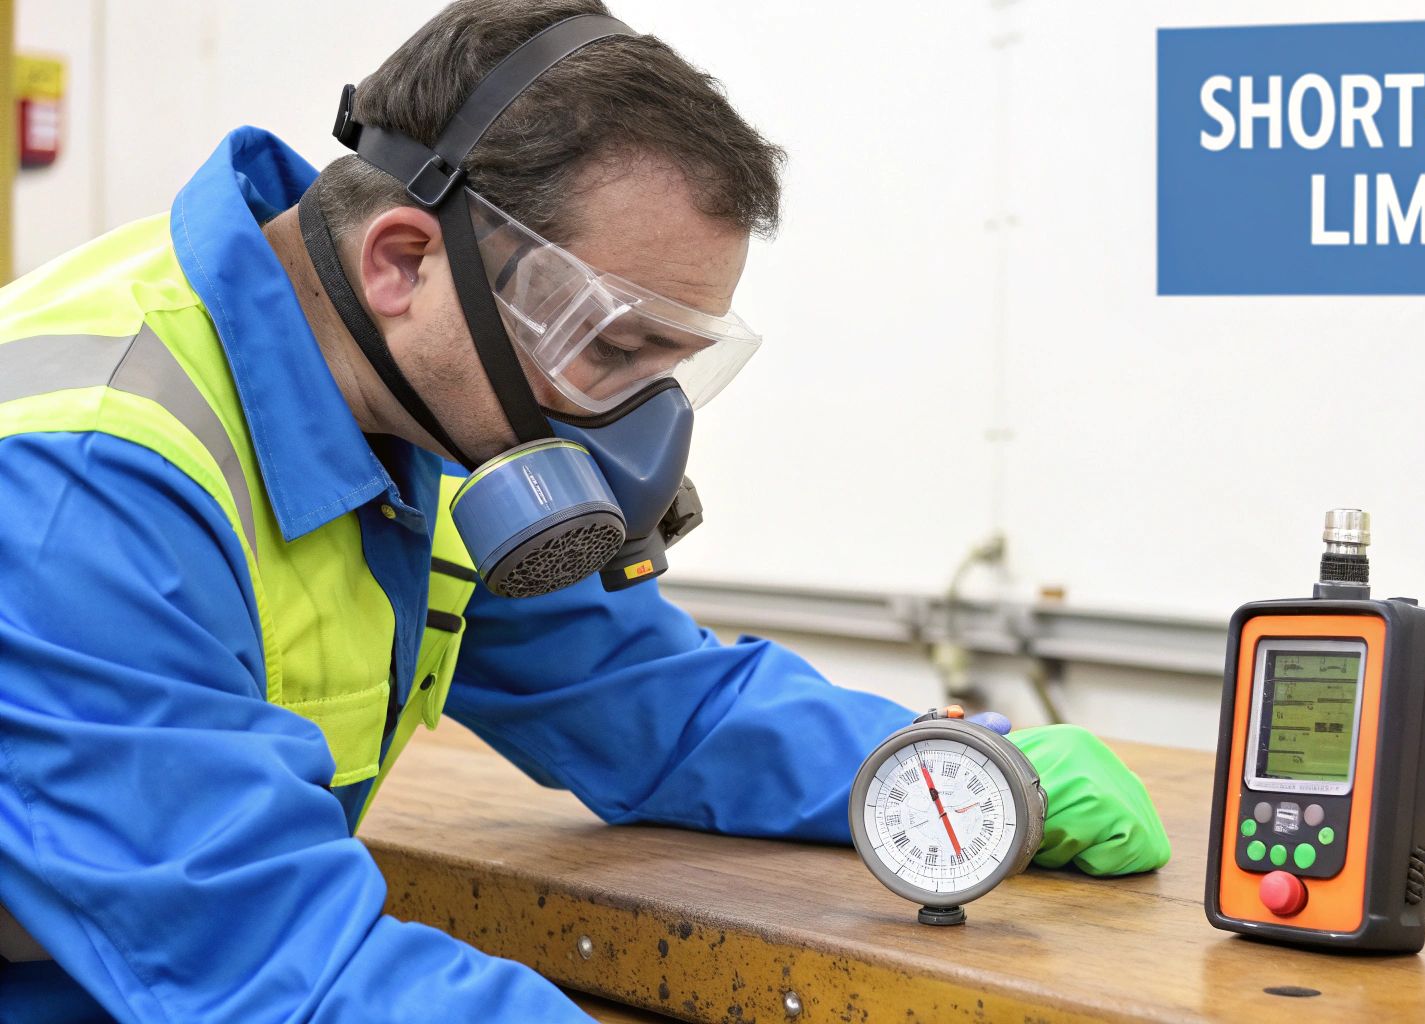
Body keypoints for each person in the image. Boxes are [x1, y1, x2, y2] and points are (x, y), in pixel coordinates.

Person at [0, 2, 1169, 1020]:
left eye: (671, 362)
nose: (633, 417)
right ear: (401, 262)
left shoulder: (421, 411)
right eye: (609, 344)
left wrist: (946, 769)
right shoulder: (85, 482)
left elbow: (658, 708)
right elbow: (275, 968)